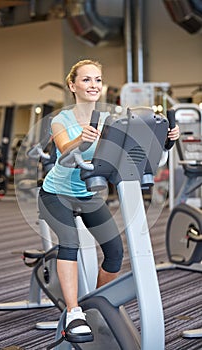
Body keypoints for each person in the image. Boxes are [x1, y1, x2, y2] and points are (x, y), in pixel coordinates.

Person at [38, 59, 180, 338]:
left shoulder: (110, 118)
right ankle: (74, 312)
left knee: (115, 253)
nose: (94, 85)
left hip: (88, 194)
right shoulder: (60, 120)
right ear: (72, 85)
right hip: (56, 193)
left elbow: (134, 145)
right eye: (87, 80)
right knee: (70, 243)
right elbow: (66, 149)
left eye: (98, 80)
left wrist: (165, 139)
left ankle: (96, 303)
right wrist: (82, 139)